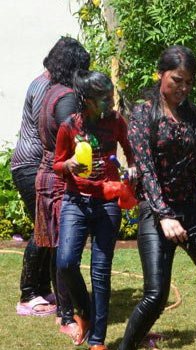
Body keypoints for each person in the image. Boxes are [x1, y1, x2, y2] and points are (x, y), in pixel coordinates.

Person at [119, 45, 196, 350]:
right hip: (155, 211)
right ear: (161, 74)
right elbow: (146, 169)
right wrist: (164, 215)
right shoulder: (142, 113)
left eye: (189, 82)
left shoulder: (195, 117)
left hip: (193, 211)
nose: (183, 88)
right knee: (156, 294)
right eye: (177, 79)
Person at [53, 70, 136, 349]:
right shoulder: (69, 126)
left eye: (111, 96)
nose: (110, 102)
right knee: (65, 262)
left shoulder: (115, 122)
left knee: (100, 271)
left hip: (107, 201)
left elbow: (131, 151)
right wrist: (68, 166)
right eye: (103, 98)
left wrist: (132, 171)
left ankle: (97, 340)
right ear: (86, 99)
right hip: (75, 200)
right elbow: (57, 163)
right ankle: (85, 312)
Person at [36, 36, 89, 332]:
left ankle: (64, 309)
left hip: (48, 171)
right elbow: (76, 139)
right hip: (61, 176)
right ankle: (66, 315)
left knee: (60, 248)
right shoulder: (67, 97)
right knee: (66, 250)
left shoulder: (49, 91)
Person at [12, 46, 54, 317]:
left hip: (39, 166)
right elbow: (46, 129)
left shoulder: (49, 85)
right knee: (43, 227)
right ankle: (28, 294)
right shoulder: (43, 87)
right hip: (30, 166)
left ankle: (42, 287)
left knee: (51, 228)